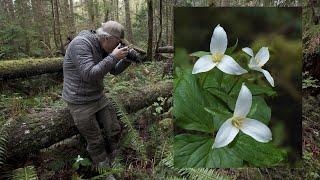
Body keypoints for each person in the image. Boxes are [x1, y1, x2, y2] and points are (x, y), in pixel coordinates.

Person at [62, 21, 131, 180]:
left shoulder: (103, 46)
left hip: (98, 97)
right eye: (118, 42)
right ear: (107, 38)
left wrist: (126, 59)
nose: (119, 45)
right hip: (79, 101)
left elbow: (113, 70)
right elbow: (90, 74)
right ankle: (105, 172)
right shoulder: (80, 44)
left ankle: (116, 159)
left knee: (114, 128)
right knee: (95, 140)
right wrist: (114, 56)